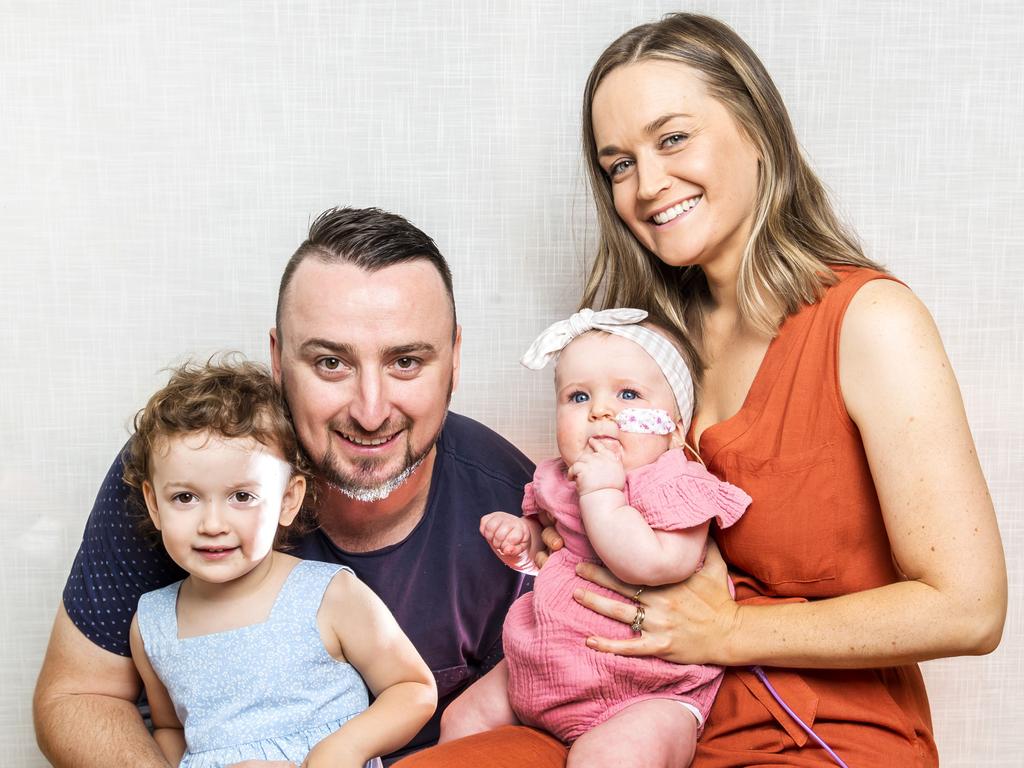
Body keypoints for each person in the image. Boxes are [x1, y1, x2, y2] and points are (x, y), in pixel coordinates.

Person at [395, 12, 1007, 768]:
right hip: (609, 709)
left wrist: (728, 633)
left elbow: (971, 609)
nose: (647, 184)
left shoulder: (870, 322)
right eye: (618, 163)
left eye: (673, 138)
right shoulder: (643, 348)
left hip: (809, 734)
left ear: (756, 128)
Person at [33, 207, 535, 767]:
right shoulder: (185, 468)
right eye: (330, 362)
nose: (370, 411)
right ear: (277, 360)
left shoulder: (518, 509)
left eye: (406, 361)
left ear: (454, 360)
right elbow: (78, 694)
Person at [439, 309, 751, 768]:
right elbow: (551, 554)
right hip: (543, 666)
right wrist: (521, 541)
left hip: (644, 690)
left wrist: (603, 493)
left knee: (608, 758)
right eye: (578, 396)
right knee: (461, 719)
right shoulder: (561, 479)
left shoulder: (673, 482)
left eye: (628, 394)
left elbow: (655, 564)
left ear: (676, 426)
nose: (601, 411)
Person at [126, 358, 436, 767]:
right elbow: (171, 728)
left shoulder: (328, 595)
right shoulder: (153, 624)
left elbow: (412, 687)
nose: (213, 524)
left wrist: (343, 748)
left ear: (288, 500)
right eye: (185, 498)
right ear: (154, 503)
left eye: (242, 497)